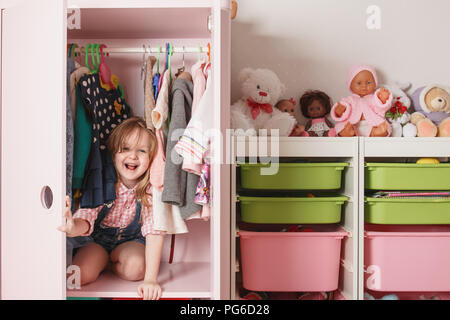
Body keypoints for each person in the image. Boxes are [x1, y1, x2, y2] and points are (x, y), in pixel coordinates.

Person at [58, 117, 165, 300]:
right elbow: (87, 217)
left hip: (130, 243)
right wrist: (72, 227)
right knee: (76, 275)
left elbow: (154, 230)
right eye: (125, 149)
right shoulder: (103, 180)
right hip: (97, 242)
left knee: (136, 269)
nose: (133, 156)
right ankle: (102, 262)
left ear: (151, 158)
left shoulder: (149, 190)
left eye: (141, 151)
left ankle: (111, 264)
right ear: (113, 153)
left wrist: (150, 279)